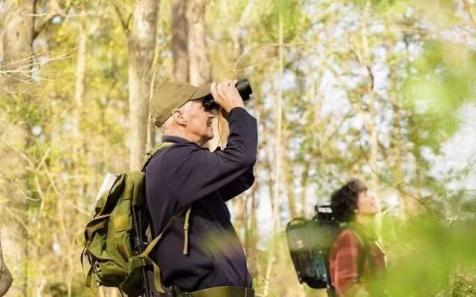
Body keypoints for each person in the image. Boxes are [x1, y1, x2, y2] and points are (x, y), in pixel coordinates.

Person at [145, 80, 257, 297]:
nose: (212, 113)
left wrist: (230, 122)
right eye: (205, 106)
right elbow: (241, 158)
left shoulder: (180, 162)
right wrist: (236, 110)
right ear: (180, 117)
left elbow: (239, 176)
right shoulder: (173, 160)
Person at [329, 179, 386, 297]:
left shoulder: (369, 239)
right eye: (365, 195)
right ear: (353, 207)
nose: (372, 197)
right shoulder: (349, 236)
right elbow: (346, 285)